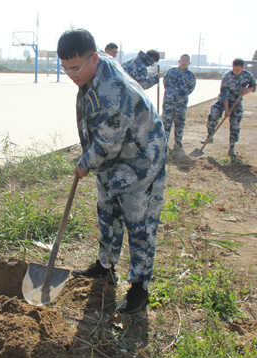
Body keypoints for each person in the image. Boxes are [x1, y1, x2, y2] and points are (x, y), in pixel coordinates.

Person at [58, 29, 167, 315]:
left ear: (93, 58)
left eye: (75, 68)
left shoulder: (113, 91)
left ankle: (140, 287)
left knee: (138, 222)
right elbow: (105, 144)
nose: (71, 75)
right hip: (113, 160)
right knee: (107, 211)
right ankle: (105, 266)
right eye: (65, 68)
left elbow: (106, 143)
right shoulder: (93, 68)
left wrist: (84, 164)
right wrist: (91, 160)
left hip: (140, 158)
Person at [203, 58, 257, 158]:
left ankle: (231, 148)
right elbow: (224, 93)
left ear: (242, 68)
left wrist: (248, 90)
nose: (235, 71)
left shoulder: (247, 75)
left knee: (235, 125)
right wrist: (226, 109)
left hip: (236, 103)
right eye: (234, 69)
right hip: (223, 101)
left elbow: (254, 85)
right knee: (213, 115)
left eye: (237, 69)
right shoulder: (227, 76)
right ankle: (210, 136)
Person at [162, 54, 197, 149]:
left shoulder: (191, 76)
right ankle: (164, 143)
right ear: (179, 61)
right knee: (166, 123)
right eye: (183, 60)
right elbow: (165, 83)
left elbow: (191, 88)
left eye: (186, 61)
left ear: (189, 63)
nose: (184, 62)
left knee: (180, 123)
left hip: (181, 104)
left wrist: (181, 96)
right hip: (169, 103)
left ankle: (178, 142)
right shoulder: (171, 72)